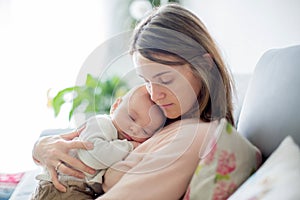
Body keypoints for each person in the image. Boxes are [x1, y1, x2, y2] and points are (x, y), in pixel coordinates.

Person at [32, 3, 236, 199]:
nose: (155, 96)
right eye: (147, 81)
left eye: (166, 79)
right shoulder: (163, 113)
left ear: (203, 66)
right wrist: (42, 147)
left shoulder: (196, 136)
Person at [31, 85, 166, 199]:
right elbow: (94, 155)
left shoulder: (118, 141)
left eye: (145, 131)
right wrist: (129, 146)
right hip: (60, 187)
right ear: (115, 106)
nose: (134, 130)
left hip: (79, 190)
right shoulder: (101, 123)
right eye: (131, 117)